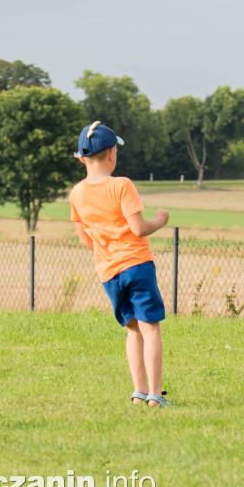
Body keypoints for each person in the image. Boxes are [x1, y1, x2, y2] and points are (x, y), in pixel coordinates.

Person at [69, 121, 172, 408]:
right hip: (137, 265)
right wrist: (161, 219)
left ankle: (138, 392)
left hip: (108, 272)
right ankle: (155, 394)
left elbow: (86, 240)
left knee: (132, 328)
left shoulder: (76, 193)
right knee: (150, 327)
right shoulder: (122, 185)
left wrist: (107, 251)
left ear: (81, 158)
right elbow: (139, 229)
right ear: (112, 153)